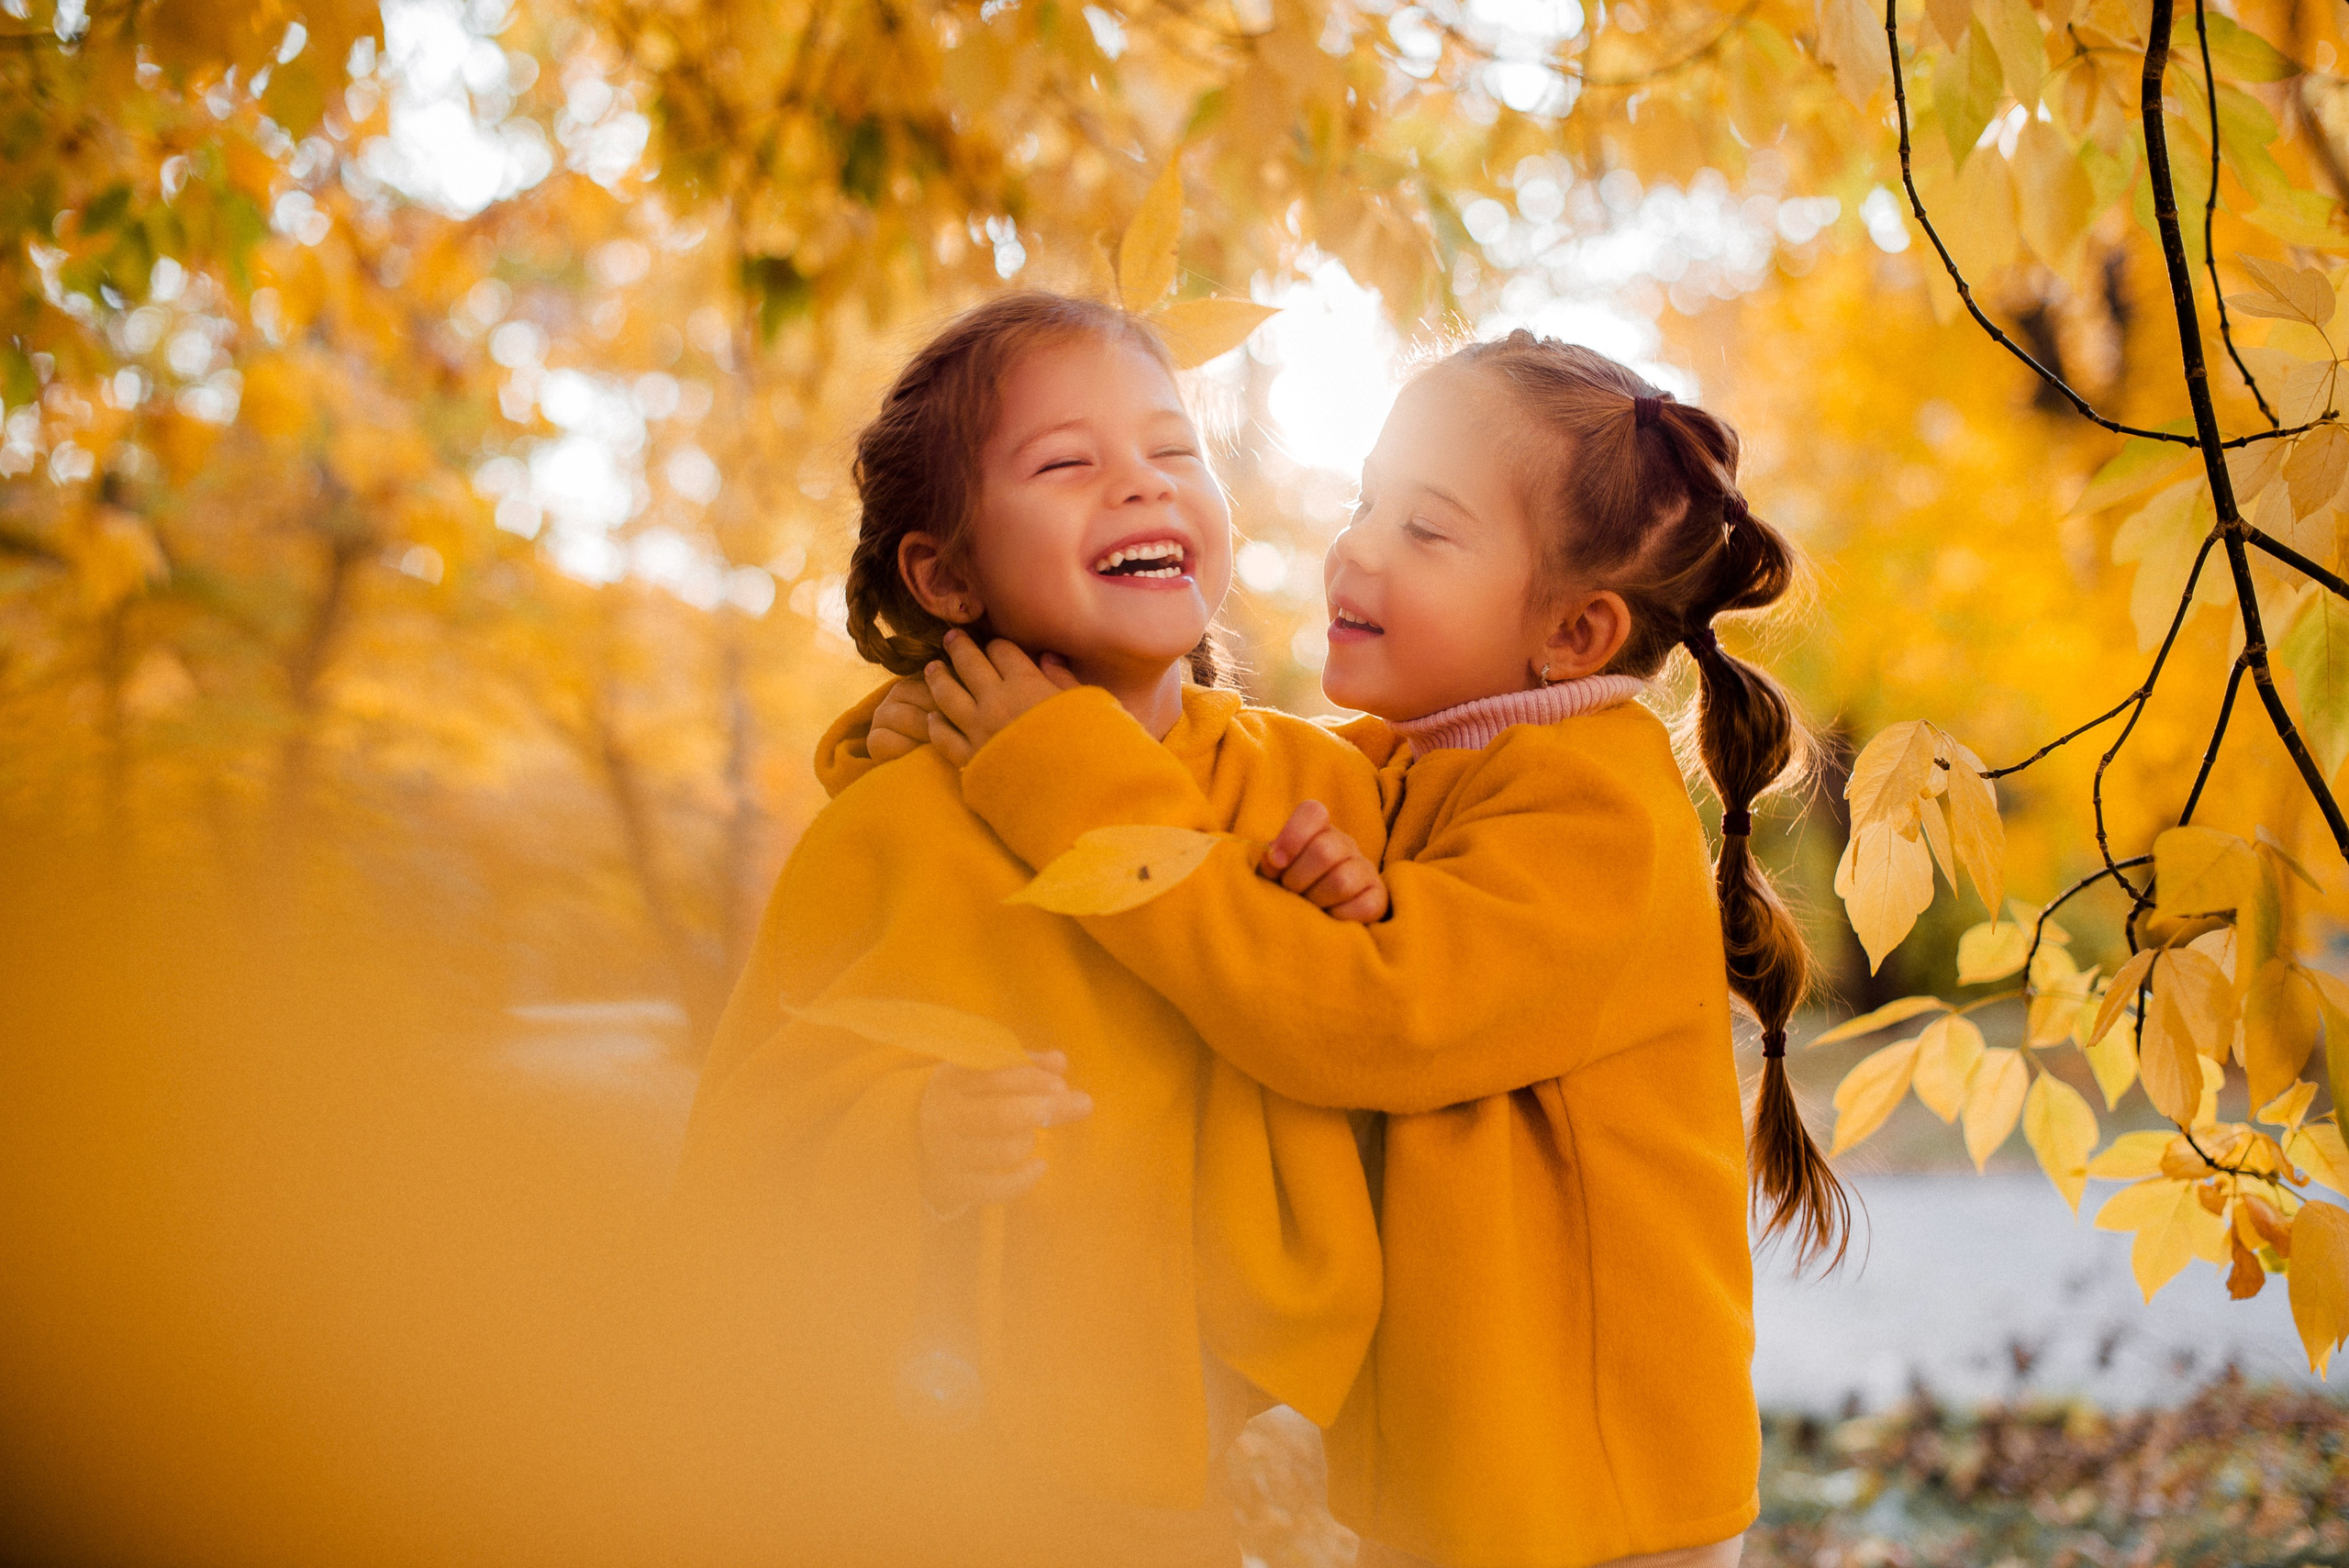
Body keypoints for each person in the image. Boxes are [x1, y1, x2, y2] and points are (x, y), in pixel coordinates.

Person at [892, 330, 1848, 1568]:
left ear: (1574, 632)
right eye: (1364, 501)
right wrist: (975, 723)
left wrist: (1062, 776)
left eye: (1426, 529)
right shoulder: (1412, 767)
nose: (1358, 547)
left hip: (1590, 1495)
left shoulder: (1594, 813)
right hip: (1478, 1483)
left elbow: (1358, 1015)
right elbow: (1214, 774)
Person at [670, 291, 1387, 1565]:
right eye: (1066, 464)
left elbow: (1381, 1031)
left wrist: (1352, 908)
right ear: (947, 575)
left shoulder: (1313, 785)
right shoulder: (892, 828)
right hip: (940, 1469)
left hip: (1196, 1470)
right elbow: (743, 1154)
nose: (1142, 484)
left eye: (1174, 448)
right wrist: (912, 1134)